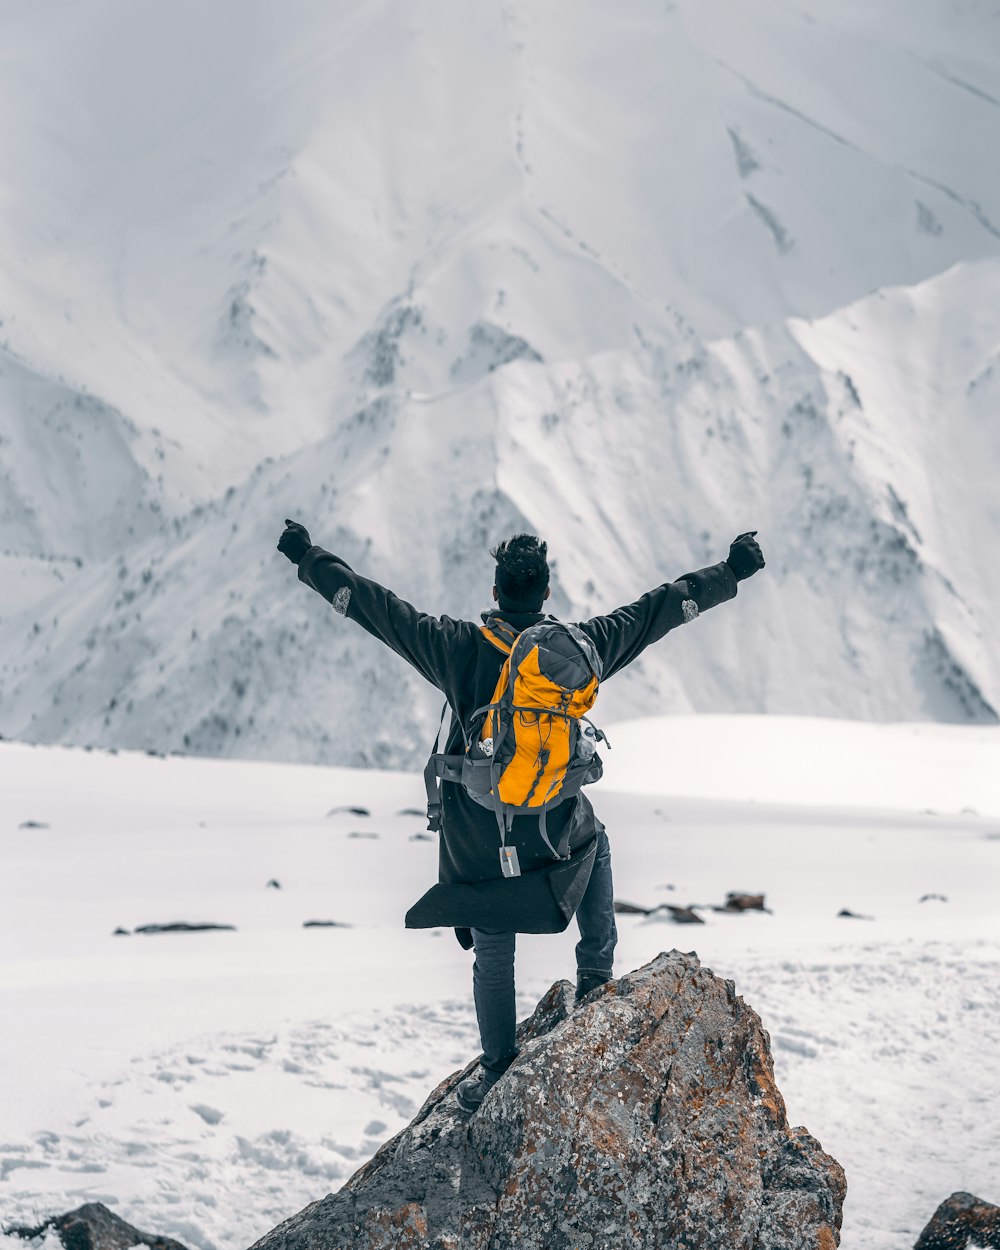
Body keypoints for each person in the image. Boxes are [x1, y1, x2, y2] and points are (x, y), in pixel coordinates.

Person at [277, 521, 764, 1113]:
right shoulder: (579, 650)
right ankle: (593, 986)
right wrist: (731, 572)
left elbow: (376, 608)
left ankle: (496, 1067)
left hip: (479, 847)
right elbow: (657, 611)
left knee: (493, 944)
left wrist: (308, 557)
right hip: (552, 838)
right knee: (598, 842)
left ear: (496, 590)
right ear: (546, 595)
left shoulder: (454, 648)